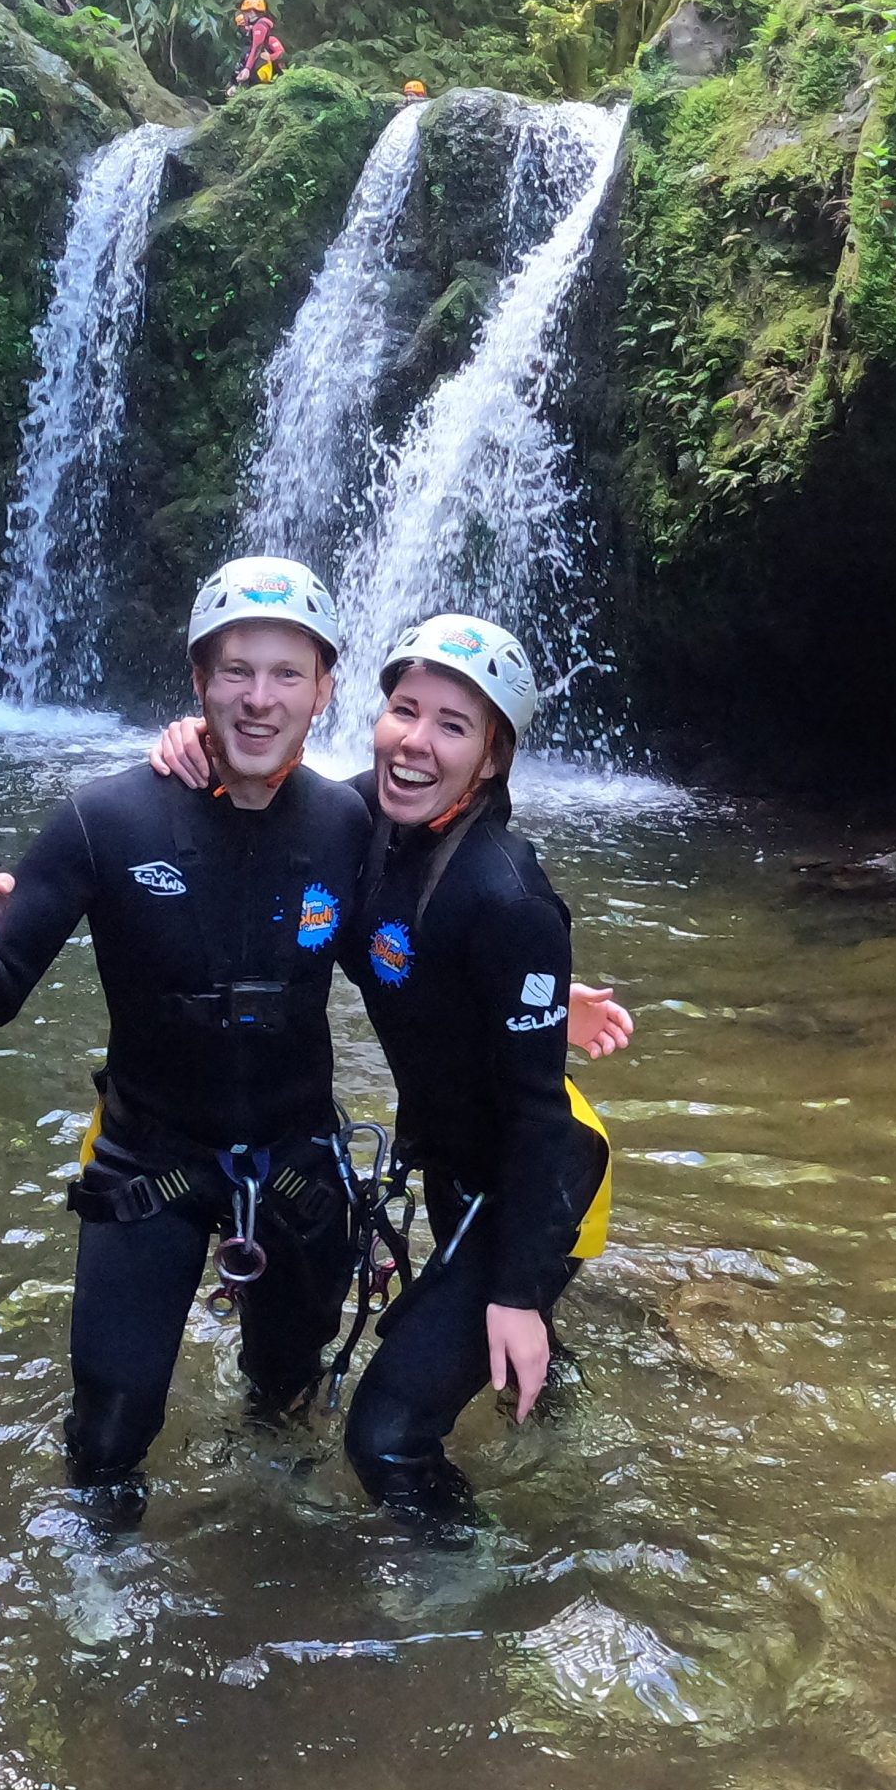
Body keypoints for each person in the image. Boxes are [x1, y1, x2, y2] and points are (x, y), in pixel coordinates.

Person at [149, 613, 633, 1522]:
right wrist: (197, 747)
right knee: (483, 1350)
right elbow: (263, 798)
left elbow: (534, 1115)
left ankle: (480, 1599)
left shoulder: (507, 891)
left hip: (543, 1171)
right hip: (459, 1162)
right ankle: (560, 1409)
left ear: (491, 759)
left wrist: (519, 1293)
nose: (415, 743)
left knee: (387, 1437)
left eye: (453, 726)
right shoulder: (363, 816)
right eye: (405, 710)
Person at [0, 559, 372, 1524]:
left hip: (296, 1161)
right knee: (113, 1422)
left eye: (288, 674)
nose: (260, 699)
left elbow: (414, 964)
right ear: (198, 681)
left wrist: (524, 993)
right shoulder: (107, 819)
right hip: (150, 1160)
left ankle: (269, 1542)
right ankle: (100, 1602)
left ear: (325, 688)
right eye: (236, 672)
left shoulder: (349, 823)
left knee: (287, 1391)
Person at [231, 0, 284, 91]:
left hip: (261, 70)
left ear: (251, 12)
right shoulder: (250, 36)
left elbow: (256, 48)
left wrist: (247, 68)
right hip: (256, 69)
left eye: (245, 13)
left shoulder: (260, 26)